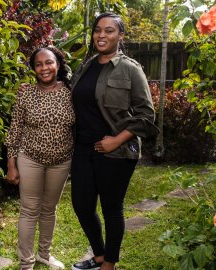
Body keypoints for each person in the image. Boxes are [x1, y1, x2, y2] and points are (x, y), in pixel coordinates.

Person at [70, 13, 156, 270]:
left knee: (111, 208)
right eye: (98, 30)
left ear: (120, 36)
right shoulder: (85, 66)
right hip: (83, 148)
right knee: (82, 206)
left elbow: (146, 115)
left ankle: (109, 264)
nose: (102, 35)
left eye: (109, 31)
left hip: (115, 152)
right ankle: (98, 256)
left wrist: (116, 140)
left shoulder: (130, 69)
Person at [5, 46, 75, 270]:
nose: (44, 68)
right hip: (30, 158)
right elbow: (14, 130)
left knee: (49, 209)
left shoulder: (70, 91)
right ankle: (26, 263)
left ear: (58, 64)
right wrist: (11, 164)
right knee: (29, 210)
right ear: (34, 68)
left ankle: (44, 254)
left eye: (49, 62)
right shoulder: (25, 93)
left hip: (61, 161)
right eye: (39, 64)